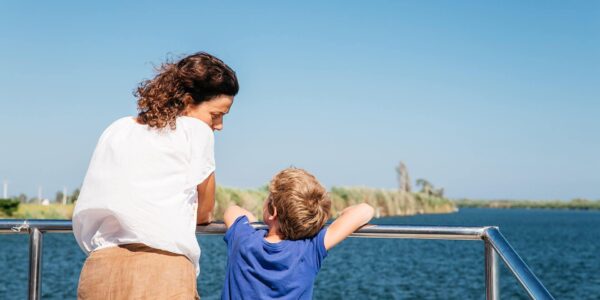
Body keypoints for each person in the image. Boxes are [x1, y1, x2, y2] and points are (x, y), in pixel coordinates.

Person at [72, 52, 239, 299]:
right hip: (162, 272)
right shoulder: (196, 131)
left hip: (100, 269)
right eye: (216, 115)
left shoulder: (118, 128)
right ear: (187, 101)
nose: (219, 125)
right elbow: (204, 213)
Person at [222, 167, 375, 299]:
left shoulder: (242, 238)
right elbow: (365, 210)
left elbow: (232, 211)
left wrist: (254, 225)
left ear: (273, 211)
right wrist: (340, 213)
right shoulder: (310, 248)